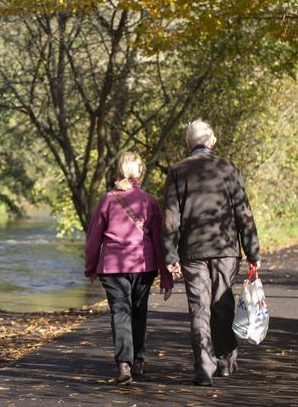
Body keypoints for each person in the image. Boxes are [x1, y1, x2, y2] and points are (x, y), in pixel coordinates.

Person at [162, 120, 261, 387]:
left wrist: (171, 255)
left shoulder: (177, 171)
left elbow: (171, 218)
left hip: (192, 252)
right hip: (226, 250)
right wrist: (253, 250)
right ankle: (226, 363)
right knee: (223, 304)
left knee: (199, 309)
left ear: (187, 144)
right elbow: (244, 212)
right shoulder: (229, 168)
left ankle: (204, 370)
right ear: (213, 141)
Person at [85, 152, 174, 385]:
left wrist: (90, 267)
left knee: (120, 313)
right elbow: (158, 243)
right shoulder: (150, 201)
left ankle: (124, 363)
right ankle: (138, 360)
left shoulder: (106, 199)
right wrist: (166, 277)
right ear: (141, 173)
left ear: (118, 173)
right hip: (143, 266)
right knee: (138, 311)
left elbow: (94, 238)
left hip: (112, 267)